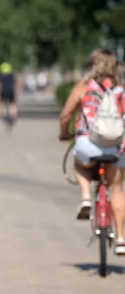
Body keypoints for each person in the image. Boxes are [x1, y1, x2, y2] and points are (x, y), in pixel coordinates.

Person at [59, 47, 125, 255]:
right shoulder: (121, 89)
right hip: (116, 146)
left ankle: (86, 197)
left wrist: (64, 133)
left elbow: (65, 115)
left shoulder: (84, 86)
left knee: (79, 165)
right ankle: (121, 237)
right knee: (116, 188)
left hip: (88, 144)